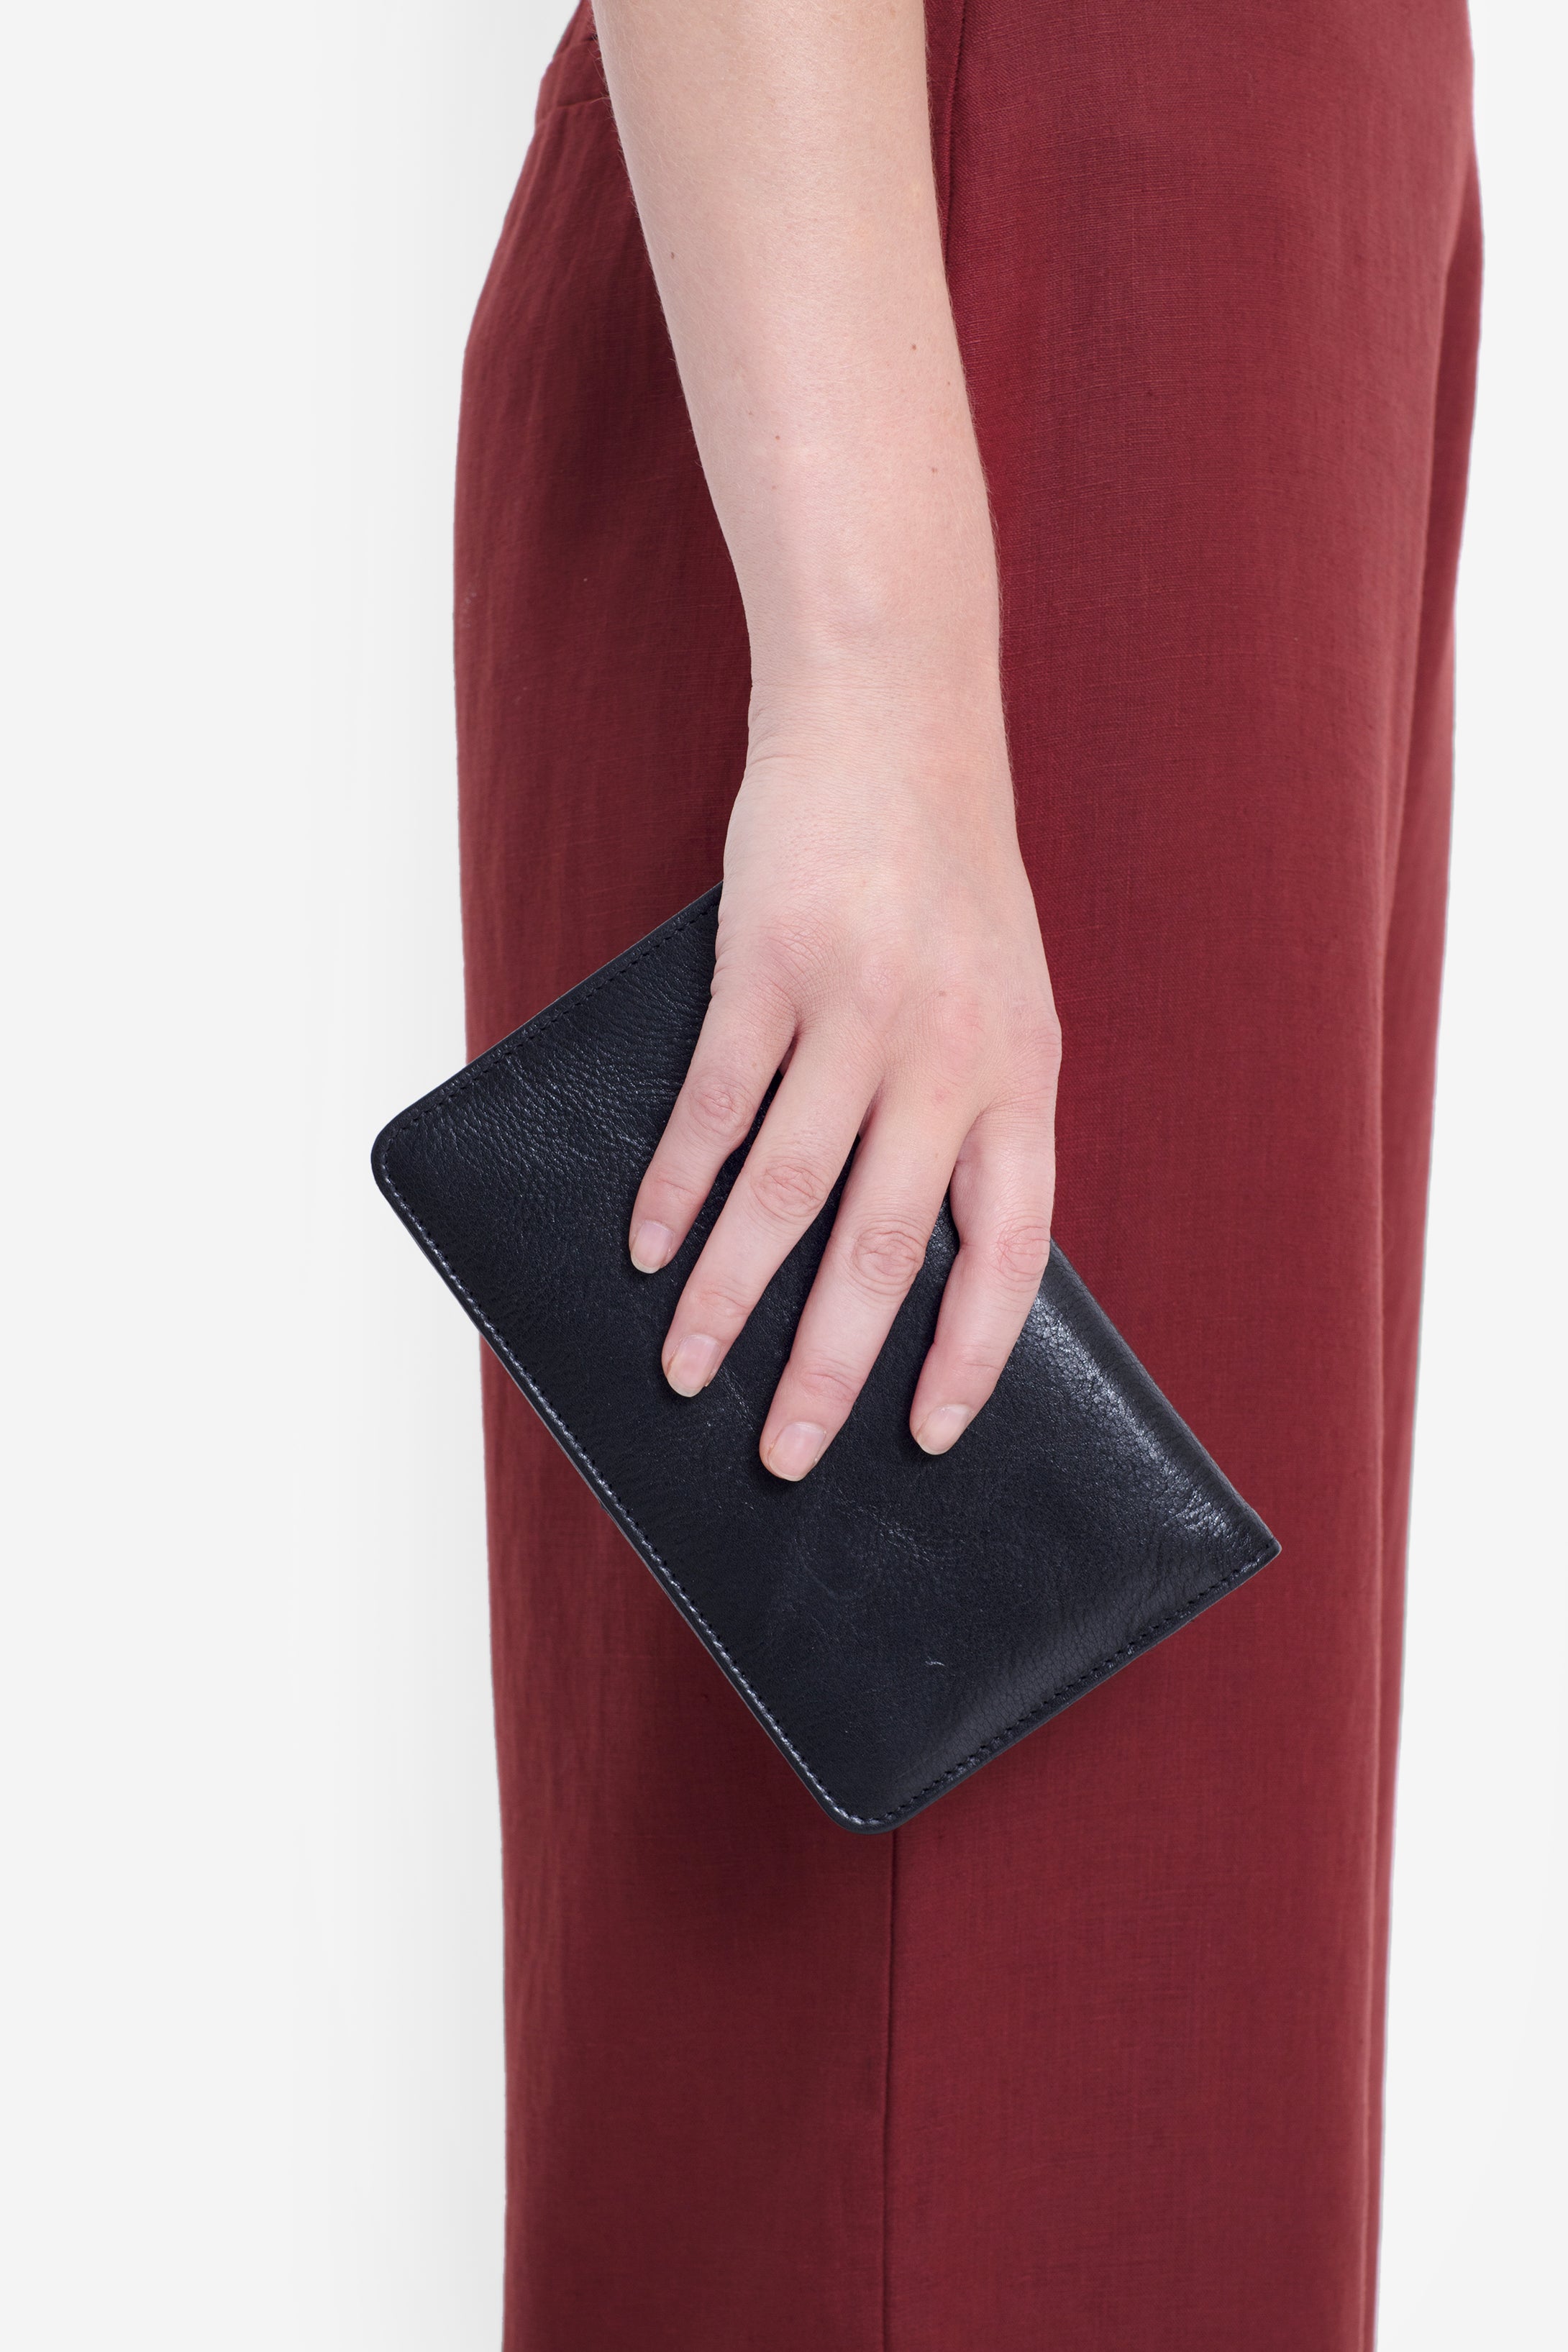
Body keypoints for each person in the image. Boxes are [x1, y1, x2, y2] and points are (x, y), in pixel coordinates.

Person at [453, 1, 1480, 2343]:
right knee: (969, 2000)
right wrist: (873, 677)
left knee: (1165, 2010)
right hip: (978, 273)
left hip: (1259, 261)